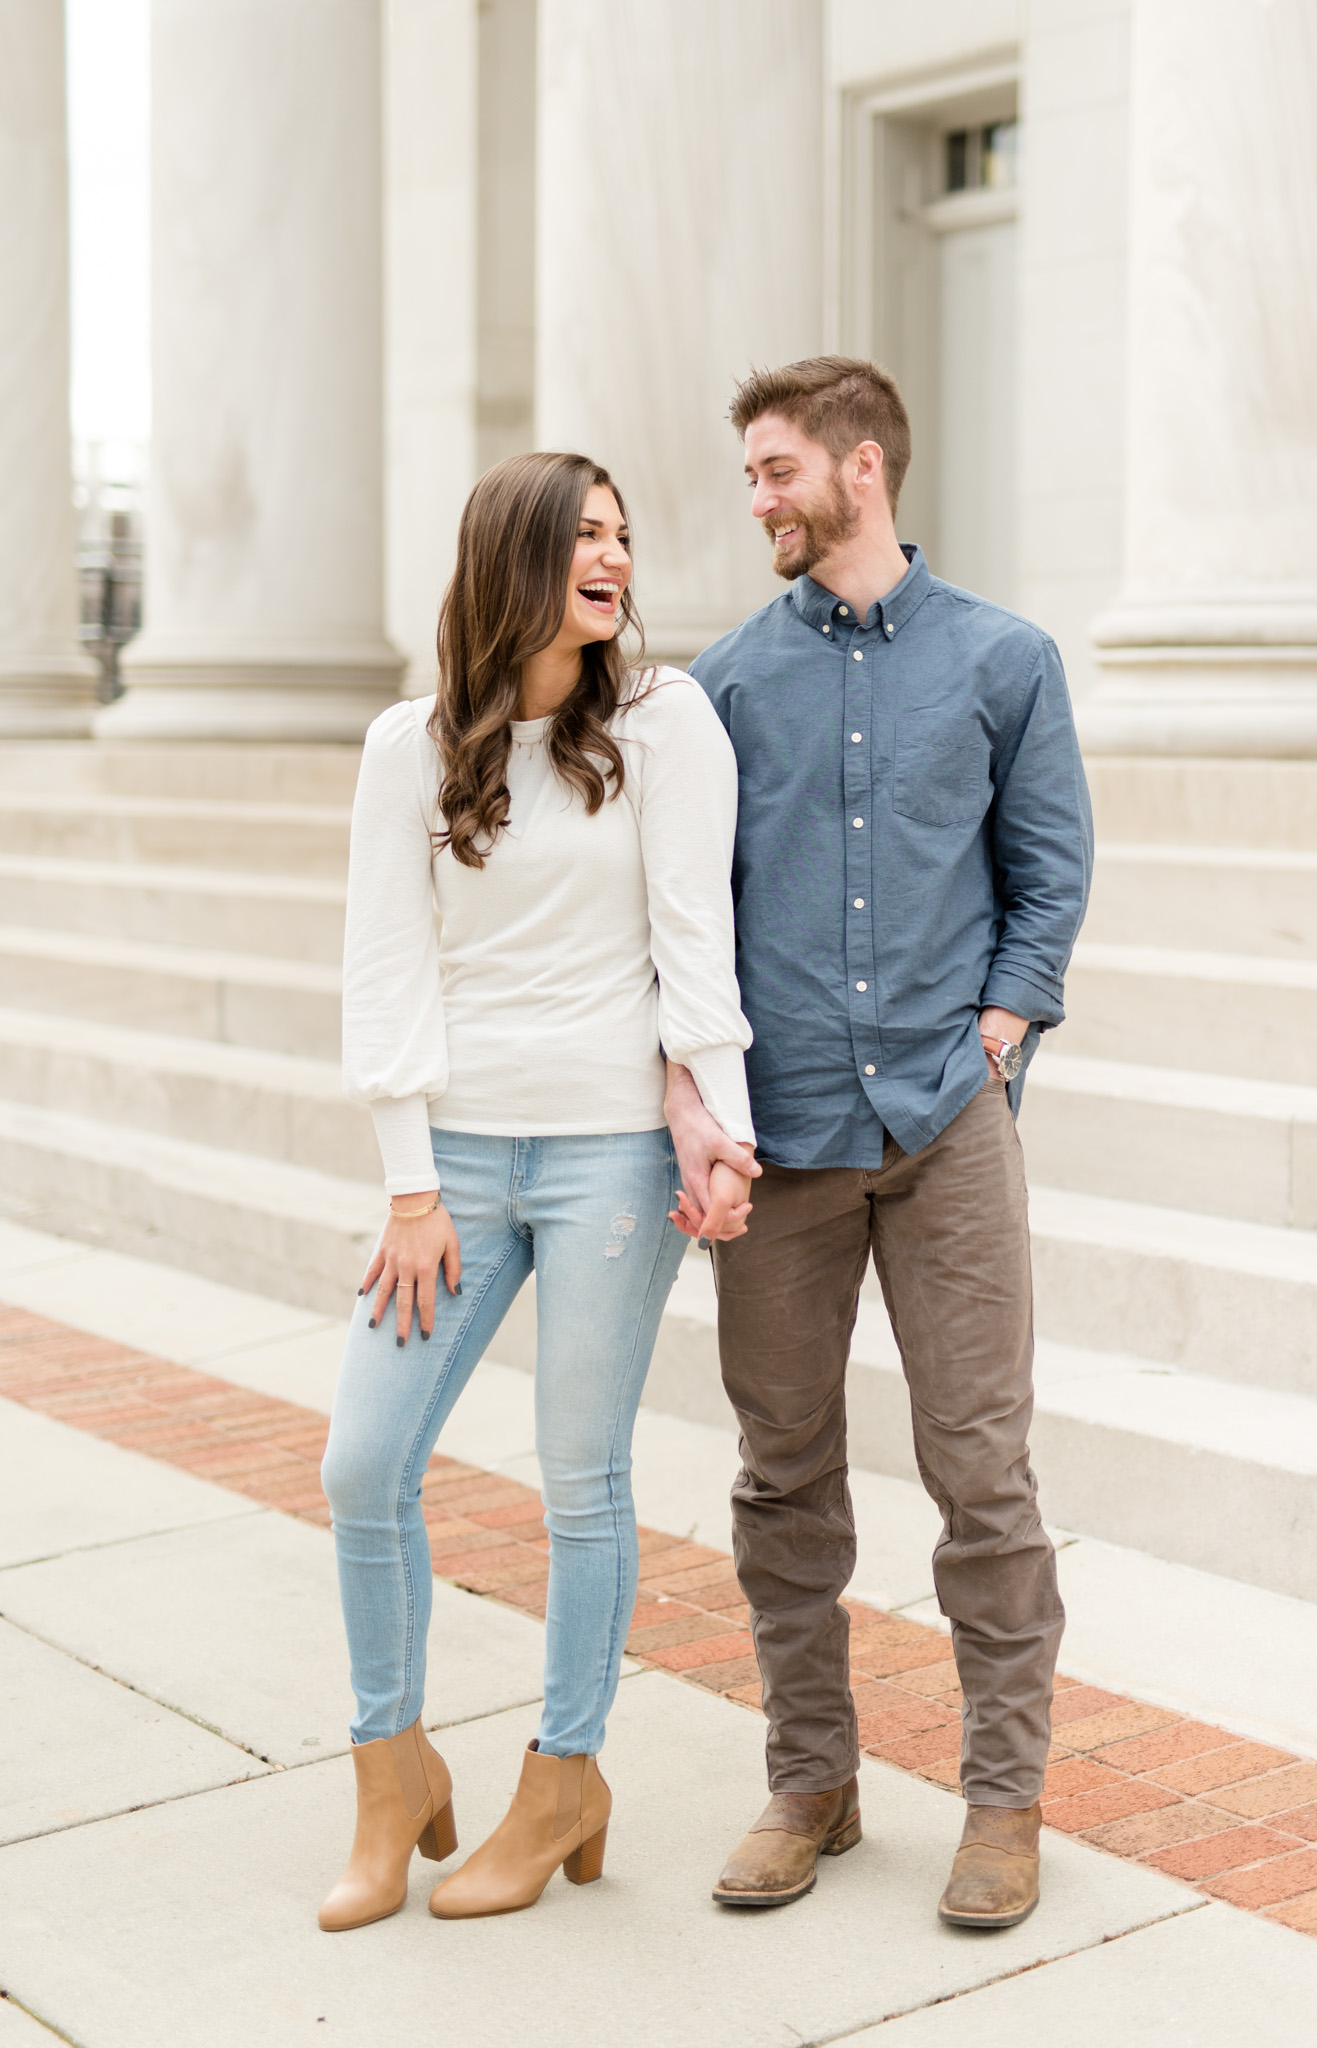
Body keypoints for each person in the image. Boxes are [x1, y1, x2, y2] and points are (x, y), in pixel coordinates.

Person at [667, 356, 1093, 1929]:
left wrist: (1000, 1030)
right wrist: (696, 1100)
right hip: (782, 1148)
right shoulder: (719, 687)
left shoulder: (1006, 659)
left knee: (982, 1471)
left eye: (778, 471)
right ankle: (812, 1780)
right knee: (783, 1474)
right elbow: (686, 914)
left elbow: (1048, 873)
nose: (760, 500)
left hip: (945, 1128)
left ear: (864, 467)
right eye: (753, 477)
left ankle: (1005, 1799)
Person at [317, 450, 756, 1933]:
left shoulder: (663, 722)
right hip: (456, 1170)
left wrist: (723, 1129)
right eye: (583, 536)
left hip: (609, 1162)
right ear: (510, 556)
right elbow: (385, 966)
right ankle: (393, 1771)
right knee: (361, 1469)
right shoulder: (408, 746)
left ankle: (565, 1775)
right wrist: (406, 1182)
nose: (615, 559)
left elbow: (698, 937)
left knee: (582, 1482)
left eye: (625, 536)